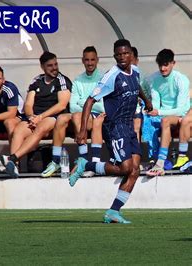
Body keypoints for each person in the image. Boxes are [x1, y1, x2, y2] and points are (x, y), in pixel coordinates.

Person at [69, 39, 152, 224]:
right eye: (118, 54)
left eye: (125, 53)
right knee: (125, 168)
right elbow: (90, 101)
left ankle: (113, 211)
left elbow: (137, 86)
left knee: (135, 170)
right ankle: (86, 165)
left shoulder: (135, 71)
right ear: (115, 56)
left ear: (131, 55)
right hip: (114, 127)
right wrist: (83, 130)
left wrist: (146, 101)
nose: (122, 57)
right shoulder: (111, 76)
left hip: (128, 125)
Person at [0, 51, 72, 178]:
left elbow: (61, 105)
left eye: (56, 64)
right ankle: (13, 168)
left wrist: (40, 117)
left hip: (53, 117)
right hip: (36, 117)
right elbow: (28, 104)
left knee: (40, 127)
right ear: (42, 67)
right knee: (19, 130)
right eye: (50, 65)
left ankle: (12, 159)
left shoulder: (62, 80)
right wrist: (31, 116)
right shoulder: (37, 80)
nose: (54, 68)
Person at [41, 46, 104, 178]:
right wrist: (89, 103)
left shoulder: (103, 78)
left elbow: (102, 106)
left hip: (97, 117)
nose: (90, 63)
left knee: (76, 116)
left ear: (97, 60)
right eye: (87, 60)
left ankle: (84, 158)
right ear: (83, 61)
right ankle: (56, 160)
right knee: (61, 118)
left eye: (92, 59)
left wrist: (84, 103)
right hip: (82, 116)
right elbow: (73, 105)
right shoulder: (78, 80)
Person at [145, 49, 191, 177]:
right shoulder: (154, 80)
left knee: (164, 120)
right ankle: (154, 160)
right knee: (146, 121)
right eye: (160, 65)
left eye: (166, 64)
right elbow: (155, 103)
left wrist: (159, 111)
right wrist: (150, 111)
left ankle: (160, 162)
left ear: (173, 63)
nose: (162, 68)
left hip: (183, 116)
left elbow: (181, 109)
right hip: (165, 116)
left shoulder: (181, 79)